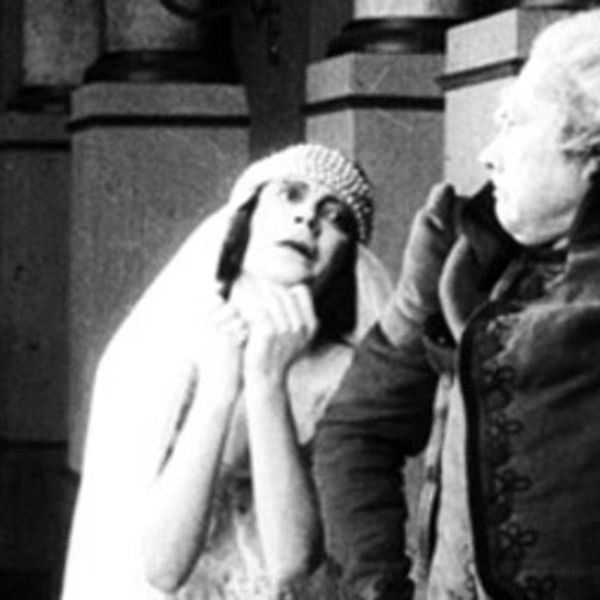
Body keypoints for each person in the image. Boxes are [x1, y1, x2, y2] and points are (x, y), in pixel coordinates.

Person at [314, 9, 600, 600]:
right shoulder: (472, 267)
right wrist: (376, 588)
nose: (488, 155)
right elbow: (356, 433)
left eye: (513, 123)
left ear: (592, 147)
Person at [60, 144, 392, 600]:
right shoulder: (166, 344)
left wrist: (266, 383)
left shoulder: (346, 372)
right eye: (290, 194)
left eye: (336, 217)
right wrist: (219, 389)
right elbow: (162, 570)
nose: (308, 219)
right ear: (245, 218)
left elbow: (293, 569)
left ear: (346, 258)